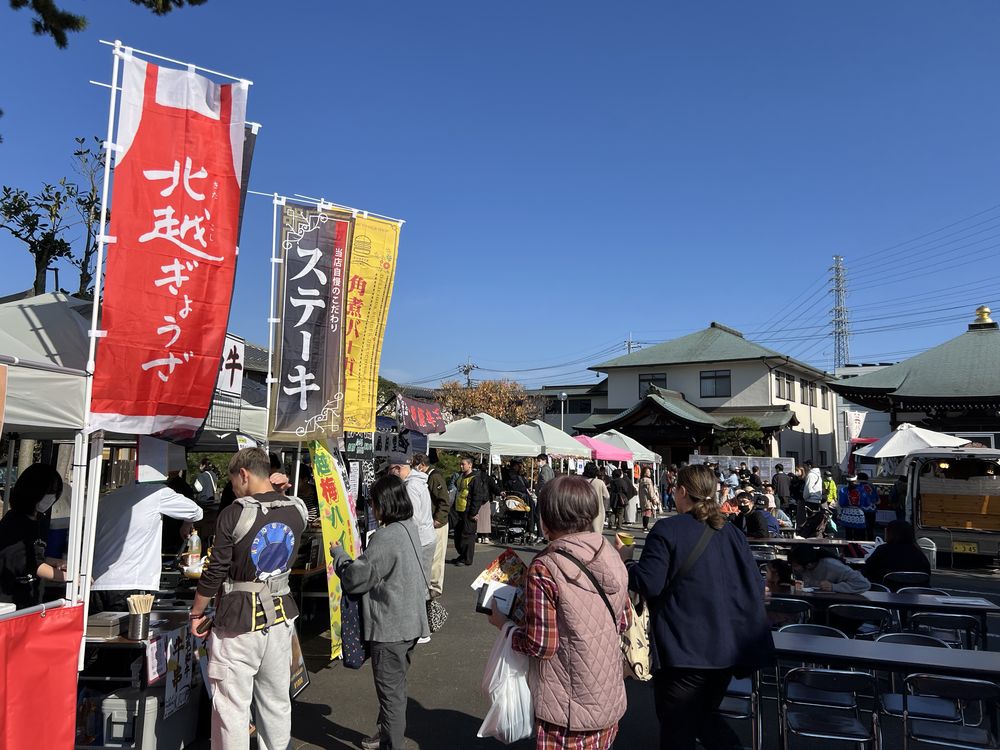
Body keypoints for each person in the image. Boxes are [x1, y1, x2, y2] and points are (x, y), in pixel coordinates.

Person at [617, 464, 773, 750]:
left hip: (684, 647)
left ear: (682, 491)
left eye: (675, 488)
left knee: (678, 726)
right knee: (702, 717)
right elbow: (753, 581)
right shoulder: (730, 532)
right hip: (728, 647)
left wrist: (626, 561)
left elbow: (649, 583)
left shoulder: (668, 530)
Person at [489, 475, 628, 750]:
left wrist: (504, 625)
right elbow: (623, 621)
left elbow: (541, 645)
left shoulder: (546, 568)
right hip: (608, 694)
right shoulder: (610, 552)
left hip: (568, 704)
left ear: (546, 518)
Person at [190, 447, 308, 750]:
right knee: (276, 701)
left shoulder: (235, 513)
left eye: (233, 483)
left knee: (232, 707)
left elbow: (215, 571)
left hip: (239, 620)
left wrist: (196, 612)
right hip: (281, 617)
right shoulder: (297, 509)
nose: (233, 489)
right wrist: (280, 492)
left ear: (244, 474)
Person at [331, 474, 429, 750]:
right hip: (410, 622)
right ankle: (385, 736)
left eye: (372, 503)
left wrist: (339, 554)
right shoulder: (408, 527)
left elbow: (356, 578)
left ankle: (391, 744)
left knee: (391, 695)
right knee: (396, 689)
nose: (372, 509)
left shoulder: (386, 537)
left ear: (381, 504)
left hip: (392, 627)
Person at [92, 475, 203, 613]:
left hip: (97, 583)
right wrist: (186, 525)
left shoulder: (110, 498)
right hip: (131, 583)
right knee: (130, 633)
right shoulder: (157, 493)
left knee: (96, 632)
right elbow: (196, 511)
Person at [0, 465, 67, 610]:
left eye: (55, 492)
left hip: (28, 600)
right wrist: (68, 577)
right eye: (49, 492)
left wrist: (56, 562)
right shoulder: (14, 523)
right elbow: (30, 563)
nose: (52, 497)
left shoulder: (35, 521)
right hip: (10, 603)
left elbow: (34, 555)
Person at [412, 454, 449, 599]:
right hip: (430, 522)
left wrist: (438, 519)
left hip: (438, 523)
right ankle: (429, 585)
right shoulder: (427, 477)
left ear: (421, 464)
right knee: (431, 556)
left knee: (437, 556)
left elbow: (444, 500)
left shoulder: (434, 477)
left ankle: (435, 587)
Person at [863, 520, 931, 585]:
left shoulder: (883, 550)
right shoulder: (918, 552)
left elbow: (867, 571)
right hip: (916, 592)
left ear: (890, 533)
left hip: (887, 592)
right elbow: (927, 574)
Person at [450, 457, 489, 566]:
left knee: (467, 536)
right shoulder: (461, 476)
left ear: (470, 465)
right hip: (459, 510)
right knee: (458, 536)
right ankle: (462, 555)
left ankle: (467, 559)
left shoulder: (475, 478)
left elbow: (477, 497)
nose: (461, 466)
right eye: (460, 464)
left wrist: (473, 513)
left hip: (468, 512)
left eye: (463, 464)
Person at [788, 545, 871, 593]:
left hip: (840, 609)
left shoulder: (833, 566)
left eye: (795, 565)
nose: (794, 568)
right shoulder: (802, 568)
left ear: (809, 565)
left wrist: (834, 587)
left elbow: (864, 584)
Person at [837, 474, 875, 540]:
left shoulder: (843, 490)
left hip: (847, 514)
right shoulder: (862, 489)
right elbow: (866, 503)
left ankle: (848, 549)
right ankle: (858, 549)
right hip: (859, 513)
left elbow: (841, 503)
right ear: (856, 480)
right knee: (859, 535)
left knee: (848, 535)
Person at [583, 461, 610, 532]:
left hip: (584, 510)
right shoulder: (599, 482)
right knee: (596, 533)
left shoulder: (581, 482)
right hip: (598, 510)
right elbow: (607, 496)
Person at [535, 454, 555, 541]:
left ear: (543, 460)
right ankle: (545, 534)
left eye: (538, 461)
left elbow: (545, 482)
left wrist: (540, 492)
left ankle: (541, 534)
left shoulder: (544, 470)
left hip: (543, 495)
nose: (537, 463)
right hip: (548, 495)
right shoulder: (549, 469)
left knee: (539, 515)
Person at [638, 466, 659, 531]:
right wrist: (654, 499)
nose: (649, 473)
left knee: (644, 512)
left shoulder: (641, 480)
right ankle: (645, 526)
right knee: (648, 512)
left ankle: (644, 526)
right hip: (648, 499)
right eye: (648, 471)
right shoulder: (649, 481)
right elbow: (651, 491)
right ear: (645, 473)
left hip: (642, 499)